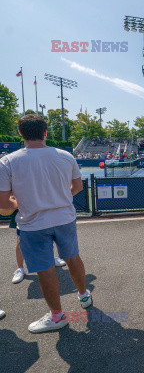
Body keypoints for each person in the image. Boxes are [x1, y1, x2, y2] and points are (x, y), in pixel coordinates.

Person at [0, 114, 92, 334]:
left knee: (45, 270)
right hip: (64, 218)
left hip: (32, 224)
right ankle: (84, 295)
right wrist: (59, 198)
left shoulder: (8, 161)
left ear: (20, 133)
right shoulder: (65, 156)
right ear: (45, 133)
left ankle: (57, 317)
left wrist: (19, 203)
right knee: (72, 257)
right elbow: (77, 187)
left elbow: (4, 204)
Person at [10, 208, 67, 284]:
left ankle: (50, 259)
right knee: (21, 239)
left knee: (47, 234)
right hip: (23, 210)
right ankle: (20, 268)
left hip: (42, 208)